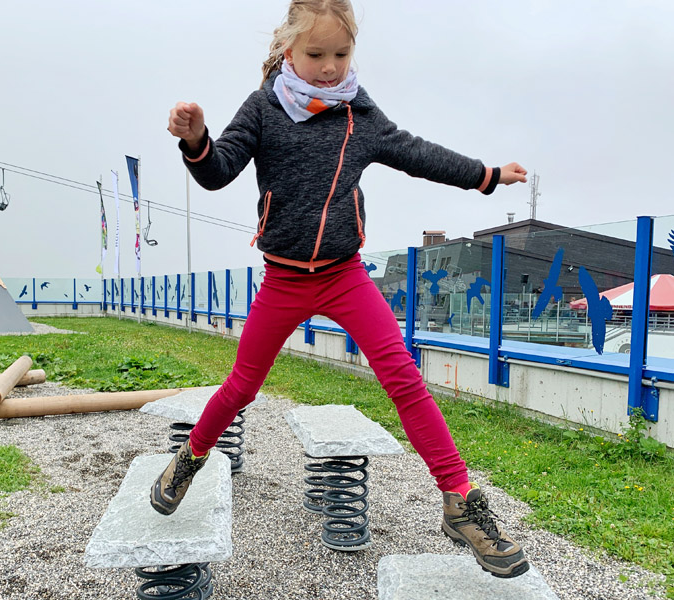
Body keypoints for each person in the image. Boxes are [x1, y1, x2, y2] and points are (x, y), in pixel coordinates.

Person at [149, 0, 530, 579]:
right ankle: (190, 457)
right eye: (316, 55)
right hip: (282, 280)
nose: (330, 68)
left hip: (345, 275)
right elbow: (218, 170)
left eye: (341, 54)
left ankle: (459, 500)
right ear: (287, 52)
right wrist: (196, 138)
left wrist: (486, 176)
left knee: (403, 376)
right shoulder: (264, 107)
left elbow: (415, 152)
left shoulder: (359, 112)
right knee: (241, 387)